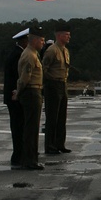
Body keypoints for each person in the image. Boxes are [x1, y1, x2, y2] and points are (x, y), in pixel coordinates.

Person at [14, 25, 46, 170]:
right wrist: (18, 93)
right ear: (34, 40)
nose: (43, 43)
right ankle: (29, 160)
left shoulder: (31, 53)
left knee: (32, 128)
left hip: (34, 92)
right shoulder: (29, 55)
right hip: (31, 93)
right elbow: (24, 78)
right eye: (42, 40)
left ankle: (31, 159)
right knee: (31, 129)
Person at [41, 23, 72, 155]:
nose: (69, 37)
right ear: (59, 36)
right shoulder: (52, 50)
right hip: (53, 85)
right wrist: (48, 83)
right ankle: (50, 146)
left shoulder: (64, 50)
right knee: (52, 117)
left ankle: (60, 144)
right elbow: (44, 69)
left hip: (62, 84)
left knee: (61, 117)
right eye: (67, 35)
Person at [4, 28, 29, 169]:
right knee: (18, 127)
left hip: (14, 95)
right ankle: (18, 156)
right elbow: (17, 77)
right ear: (24, 41)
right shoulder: (18, 55)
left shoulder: (17, 53)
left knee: (19, 126)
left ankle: (19, 155)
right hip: (15, 96)